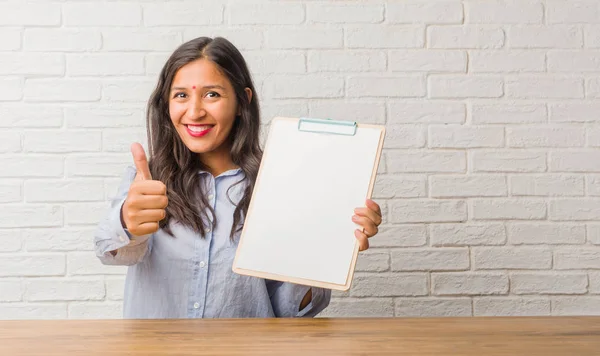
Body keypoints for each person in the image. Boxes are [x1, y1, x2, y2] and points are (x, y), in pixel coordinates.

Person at [93, 36, 383, 319]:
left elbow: (288, 312)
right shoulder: (147, 182)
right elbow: (109, 250)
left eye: (212, 94)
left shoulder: (279, 185)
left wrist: (323, 250)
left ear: (242, 101)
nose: (194, 112)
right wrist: (128, 222)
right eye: (181, 95)